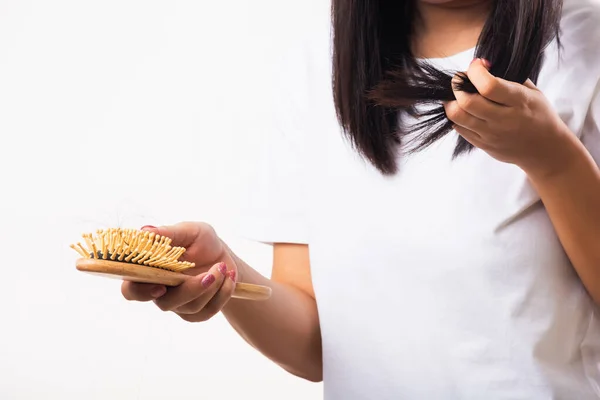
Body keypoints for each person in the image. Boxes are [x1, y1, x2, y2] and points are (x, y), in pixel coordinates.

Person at [121, 0, 600, 398]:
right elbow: (317, 344)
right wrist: (223, 270)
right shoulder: (320, 61)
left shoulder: (587, 46)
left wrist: (554, 160)